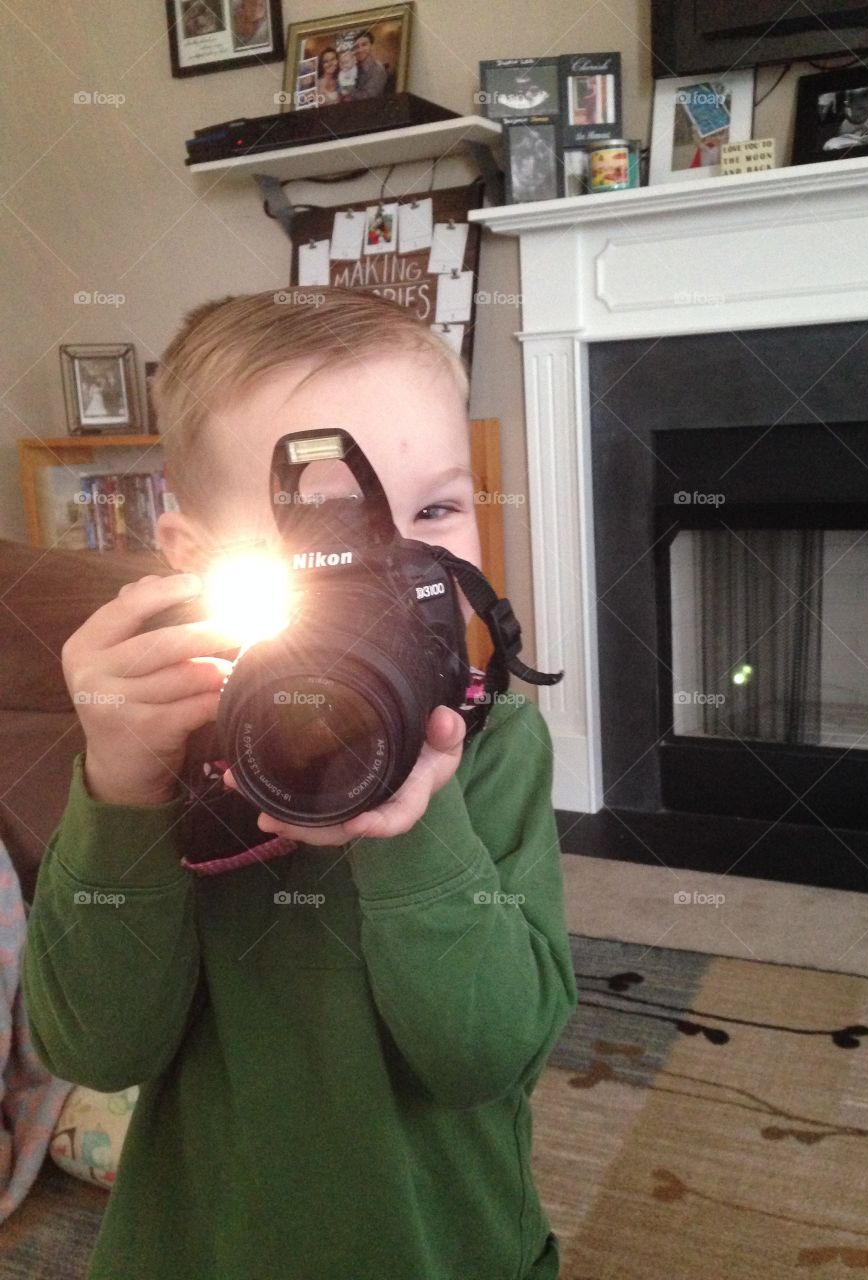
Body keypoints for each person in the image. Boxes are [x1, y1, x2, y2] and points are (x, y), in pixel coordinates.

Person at [22, 287, 577, 1280]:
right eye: (327, 522)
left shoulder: (494, 745)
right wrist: (123, 788)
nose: (394, 561)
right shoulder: (164, 749)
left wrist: (418, 813)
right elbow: (98, 1046)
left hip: (448, 1245)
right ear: (198, 562)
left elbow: (489, 1053)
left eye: (438, 509)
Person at [352, 28, 388, 99]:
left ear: (372, 46)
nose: (360, 50)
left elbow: (367, 97)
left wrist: (348, 93)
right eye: (356, 47)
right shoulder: (355, 67)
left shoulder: (378, 70)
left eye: (364, 45)